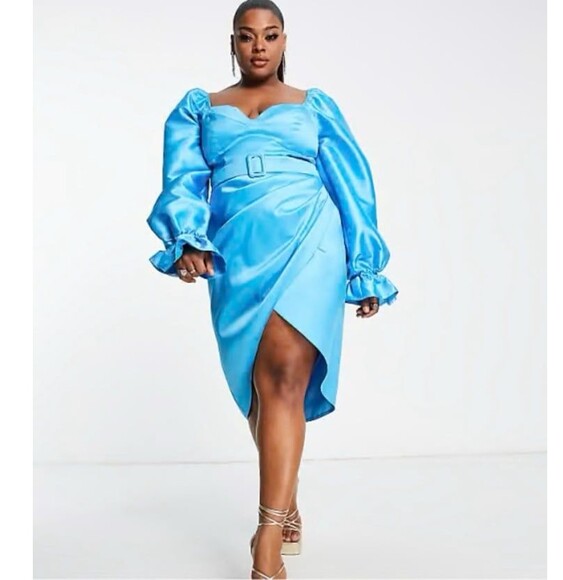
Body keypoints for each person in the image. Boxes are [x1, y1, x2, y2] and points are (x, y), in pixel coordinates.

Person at [146, 1, 399, 577]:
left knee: (285, 377)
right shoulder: (200, 109)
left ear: (285, 41)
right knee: (260, 390)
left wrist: (364, 266)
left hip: (310, 236)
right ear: (233, 43)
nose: (259, 46)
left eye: (270, 34)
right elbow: (182, 180)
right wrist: (187, 239)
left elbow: (354, 185)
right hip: (237, 247)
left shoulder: (315, 106)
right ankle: (287, 501)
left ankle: (266, 536)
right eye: (246, 36)